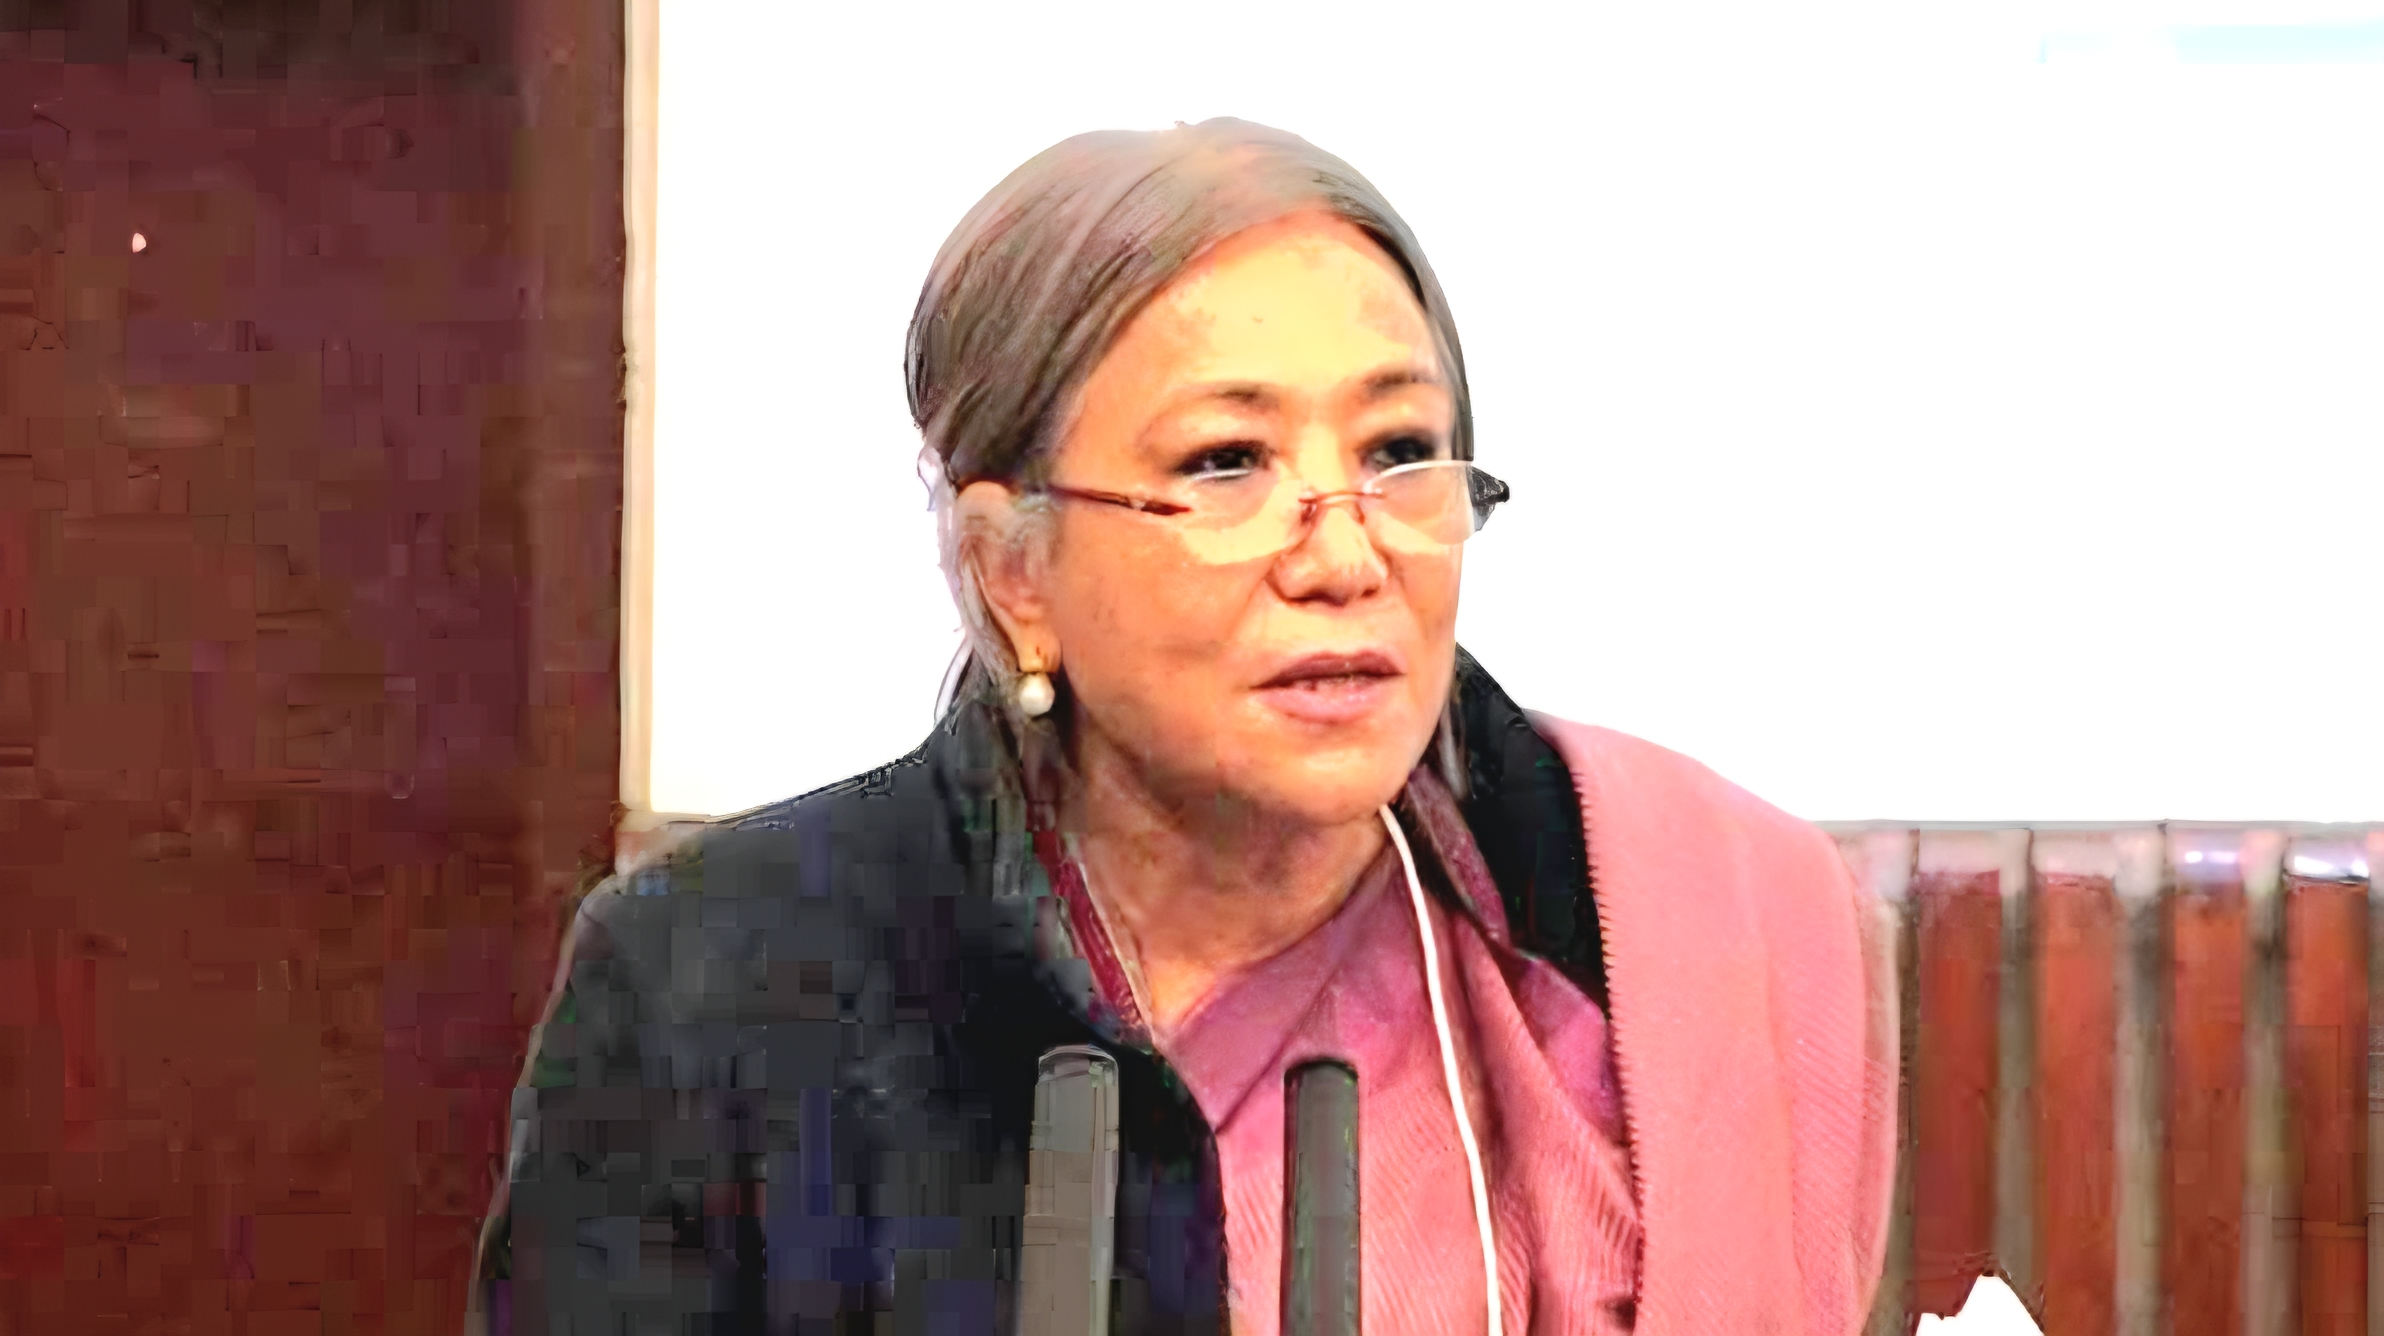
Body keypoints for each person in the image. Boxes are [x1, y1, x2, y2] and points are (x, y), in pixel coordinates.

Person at [471, 118, 1898, 1336]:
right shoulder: (716, 985)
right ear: (1014, 573)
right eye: (1227, 464)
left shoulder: (1689, 922)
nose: (1344, 554)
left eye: (1400, 451)